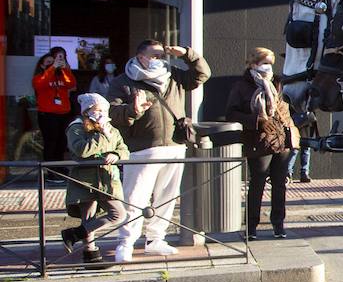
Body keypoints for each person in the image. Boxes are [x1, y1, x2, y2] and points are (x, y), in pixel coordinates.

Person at [108, 39, 211, 262]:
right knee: (135, 198)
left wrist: (186, 54)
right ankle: (125, 242)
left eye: (162, 55)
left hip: (174, 145)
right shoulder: (123, 81)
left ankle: (156, 239)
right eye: (155, 56)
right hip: (142, 148)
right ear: (140, 57)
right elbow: (113, 112)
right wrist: (131, 111)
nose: (160, 60)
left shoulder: (173, 75)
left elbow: (202, 74)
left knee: (167, 196)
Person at [225, 48, 298, 240]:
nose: (268, 67)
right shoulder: (242, 85)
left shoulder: (277, 82)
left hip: (281, 139)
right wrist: (255, 120)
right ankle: (251, 226)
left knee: (280, 184)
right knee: (257, 184)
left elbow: (285, 108)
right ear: (253, 64)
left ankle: (278, 224)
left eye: (271, 63)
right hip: (258, 140)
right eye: (264, 62)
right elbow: (231, 113)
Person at [60, 93, 129, 268]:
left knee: (118, 214)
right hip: (85, 180)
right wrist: (101, 134)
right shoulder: (76, 127)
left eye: (103, 110)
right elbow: (81, 150)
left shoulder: (111, 129)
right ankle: (91, 256)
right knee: (88, 217)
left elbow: (124, 149)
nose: (100, 113)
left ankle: (73, 234)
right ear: (87, 110)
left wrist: (116, 154)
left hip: (107, 180)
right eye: (97, 110)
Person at [33, 47, 78, 168]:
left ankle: (59, 168)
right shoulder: (39, 77)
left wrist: (64, 69)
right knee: (50, 143)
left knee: (62, 143)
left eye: (52, 62)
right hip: (48, 115)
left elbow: (72, 83)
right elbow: (40, 83)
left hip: (63, 114)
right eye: (48, 63)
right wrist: (52, 68)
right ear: (42, 66)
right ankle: (50, 171)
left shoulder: (62, 75)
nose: (52, 64)